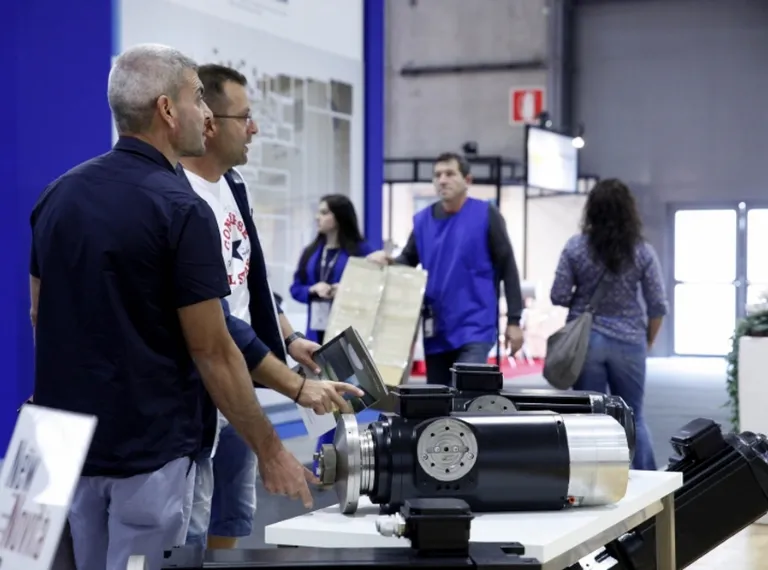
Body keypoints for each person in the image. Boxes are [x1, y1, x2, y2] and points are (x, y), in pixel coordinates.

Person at [29, 44, 320, 570]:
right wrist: (272, 449)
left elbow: (39, 314)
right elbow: (212, 349)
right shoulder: (181, 211)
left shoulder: (58, 196)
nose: (205, 114)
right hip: (151, 452)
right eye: (196, 99)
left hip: (67, 445)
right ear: (167, 110)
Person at [177, 63, 362, 550]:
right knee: (187, 519)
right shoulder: (175, 197)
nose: (254, 128)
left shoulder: (234, 187)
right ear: (210, 122)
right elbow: (212, 314)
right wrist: (296, 386)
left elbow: (251, 279)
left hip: (242, 374)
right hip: (199, 380)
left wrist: (290, 338)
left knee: (232, 514)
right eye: (246, 117)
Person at [367, 152, 525, 386]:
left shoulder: (485, 215)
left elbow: (508, 267)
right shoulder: (422, 221)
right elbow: (407, 261)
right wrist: (388, 261)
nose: (442, 180)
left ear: (467, 181)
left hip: (475, 326)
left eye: (450, 174)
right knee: (439, 404)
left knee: (466, 396)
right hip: (437, 328)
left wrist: (514, 319)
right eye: (437, 175)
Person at [549, 178, 667, 471]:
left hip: (586, 343)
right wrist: (647, 341)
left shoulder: (575, 247)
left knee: (589, 418)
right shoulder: (641, 251)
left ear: (591, 210)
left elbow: (559, 294)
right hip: (629, 341)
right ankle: (647, 485)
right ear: (629, 211)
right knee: (634, 416)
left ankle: (592, 481)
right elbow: (657, 305)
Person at [290, 194, 374, 344]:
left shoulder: (361, 251)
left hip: (350, 332)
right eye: (318, 212)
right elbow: (295, 289)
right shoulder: (310, 252)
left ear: (340, 217)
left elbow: (372, 290)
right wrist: (312, 290)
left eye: (324, 213)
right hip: (315, 333)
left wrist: (345, 290)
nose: (317, 217)